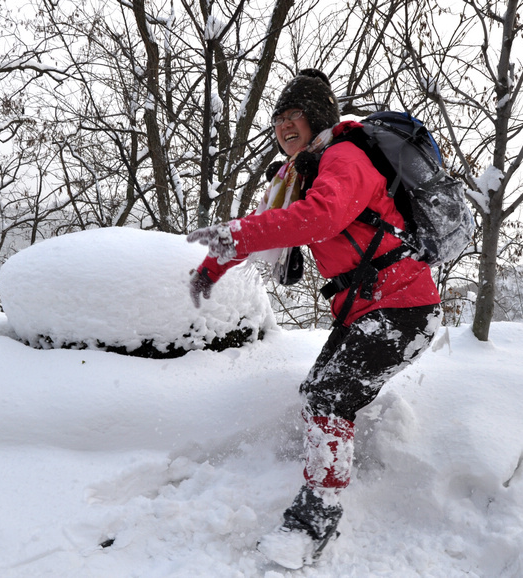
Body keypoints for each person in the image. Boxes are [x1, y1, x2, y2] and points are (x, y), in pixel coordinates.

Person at [187, 69, 442, 569]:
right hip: (368, 310)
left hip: (404, 309)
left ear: (318, 118)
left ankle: (317, 514)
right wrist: (211, 268)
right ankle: (346, 463)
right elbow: (282, 229)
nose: (283, 127)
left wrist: (234, 236)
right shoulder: (304, 172)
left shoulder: (343, 158)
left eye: (293, 116)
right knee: (318, 394)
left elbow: (319, 218)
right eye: (278, 119)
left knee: (329, 395)